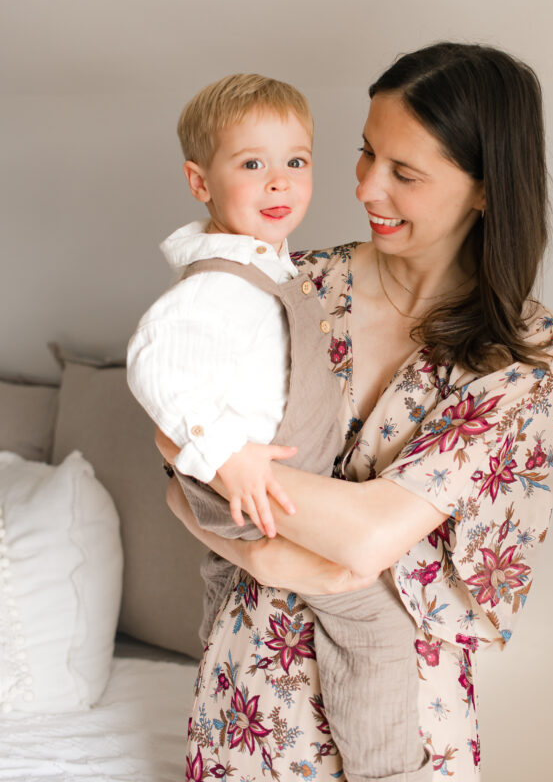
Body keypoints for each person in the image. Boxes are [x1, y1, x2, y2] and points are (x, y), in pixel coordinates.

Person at [160, 42, 553, 782]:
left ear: (484, 190)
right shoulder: (294, 284)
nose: (365, 189)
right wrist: (257, 549)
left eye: (404, 174)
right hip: (254, 687)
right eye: (364, 154)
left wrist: (233, 492)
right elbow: (171, 457)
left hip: (402, 703)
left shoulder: (524, 354)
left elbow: (371, 532)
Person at [127, 73, 430, 782]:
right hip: (251, 485)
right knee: (372, 623)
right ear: (199, 182)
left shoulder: (273, 269)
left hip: (264, 481)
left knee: (295, 597)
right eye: (251, 164)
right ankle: (388, 772)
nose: (277, 183)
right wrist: (227, 456)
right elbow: (155, 363)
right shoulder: (216, 286)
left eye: (295, 161)